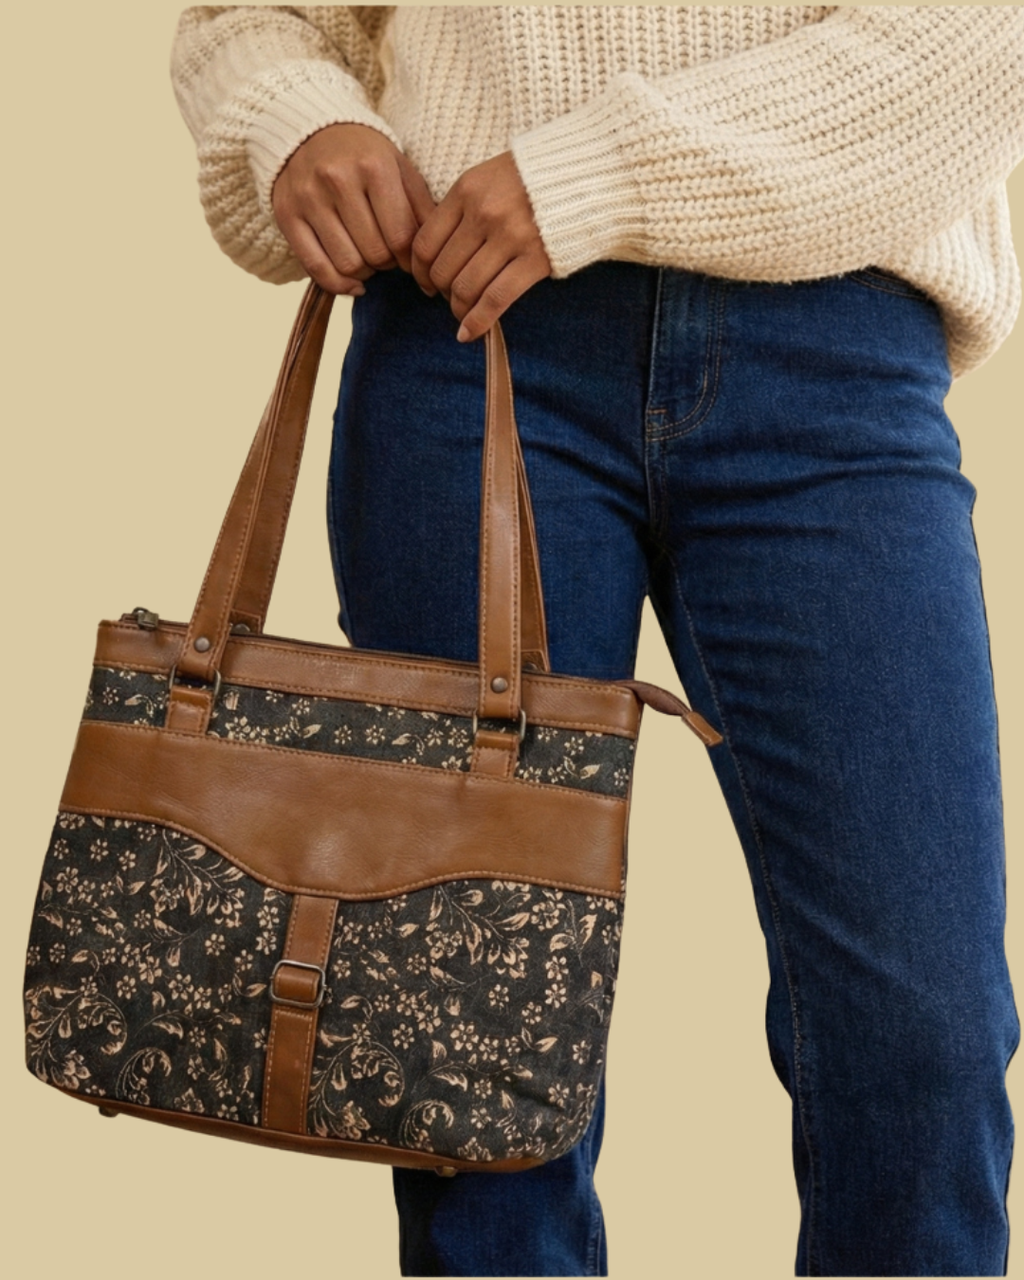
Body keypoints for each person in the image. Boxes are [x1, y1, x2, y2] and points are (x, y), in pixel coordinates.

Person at [171, 6, 1024, 1276]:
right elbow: (253, 22)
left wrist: (602, 174)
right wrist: (305, 117)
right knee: (468, 1053)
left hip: (835, 360)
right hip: (470, 339)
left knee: (924, 1030)